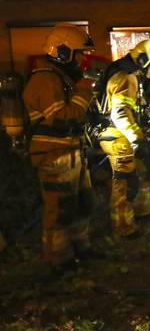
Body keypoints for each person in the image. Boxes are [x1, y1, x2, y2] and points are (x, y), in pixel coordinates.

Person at [23, 24, 97, 271]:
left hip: (73, 153)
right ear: (62, 52)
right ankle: (59, 260)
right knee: (60, 211)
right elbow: (64, 117)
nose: (83, 58)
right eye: (79, 53)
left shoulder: (62, 78)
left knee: (84, 203)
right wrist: (84, 94)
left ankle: (81, 249)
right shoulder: (44, 80)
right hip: (55, 157)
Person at [97, 39, 150, 238]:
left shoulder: (131, 76)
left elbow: (135, 106)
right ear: (144, 60)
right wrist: (137, 140)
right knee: (125, 182)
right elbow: (120, 114)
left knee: (144, 172)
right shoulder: (126, 77)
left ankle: (142, 212)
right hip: (119, 137)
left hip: (125, 134)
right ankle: (123, 226)